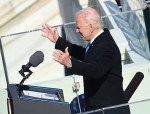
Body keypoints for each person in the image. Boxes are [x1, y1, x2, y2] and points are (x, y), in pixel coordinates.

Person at [42, 7, 130, 114]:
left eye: (79, 27)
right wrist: (57, 40)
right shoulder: (99, 41)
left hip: (108, 109)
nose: (77, 30)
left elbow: (96, 71)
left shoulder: (106, 45)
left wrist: (70, 63)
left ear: (91, 27)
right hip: (100, 107)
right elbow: (82, 53)